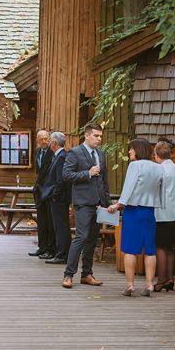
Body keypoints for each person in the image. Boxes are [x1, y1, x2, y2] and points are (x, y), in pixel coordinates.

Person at [107, 137, 164, 297]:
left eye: (131, 149)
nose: (129, 151)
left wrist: (117, 205)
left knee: (130, 250)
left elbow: (129, 188)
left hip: (133, 211)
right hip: (149, 212)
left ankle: (130, 285)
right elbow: (160, 191)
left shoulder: (135, 166)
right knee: (150, 250)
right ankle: (149, 284)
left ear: (138, 150)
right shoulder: (158, 168)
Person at [61, 124, 110, 289]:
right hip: (82, 203)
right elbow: (66, 175)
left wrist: (107, 203)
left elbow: (104, 181)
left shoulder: (101, 154)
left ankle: (87, 274)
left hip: (98, 204)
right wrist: (87, 173)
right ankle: (68, 275)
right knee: (81, 237)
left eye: (100, 136)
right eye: (96, 136)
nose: (99, 139)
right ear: (87, 136)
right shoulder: (75, 153)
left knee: (92, 240)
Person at [152, 139, 175, 293]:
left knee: (160, 246)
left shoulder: (160, 170)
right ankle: (170, 277)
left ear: (157, 155)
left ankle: (161, 280)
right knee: (170, 247)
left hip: (162, 213)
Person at [41, 132, 71, 265]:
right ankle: (59, 252)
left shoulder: (61, 157)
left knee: (61, 226)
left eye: (51, 141)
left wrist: (54, 196)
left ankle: (62, 254)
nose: (49, 143)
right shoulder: (58, 156)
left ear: (54, 143)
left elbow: (60, 180)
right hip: (58, 197)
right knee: (58, 226)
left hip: (59, 198)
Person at [29, 129, 54, 257]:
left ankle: (50, 249)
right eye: (42, 139)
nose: (44, 141)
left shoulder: (53, 152)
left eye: (46, 139)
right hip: (39, 190)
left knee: (50, 221)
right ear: (37, 140)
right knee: (41, 220)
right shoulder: (37, 151)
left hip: (49, 190)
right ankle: (42, 247)